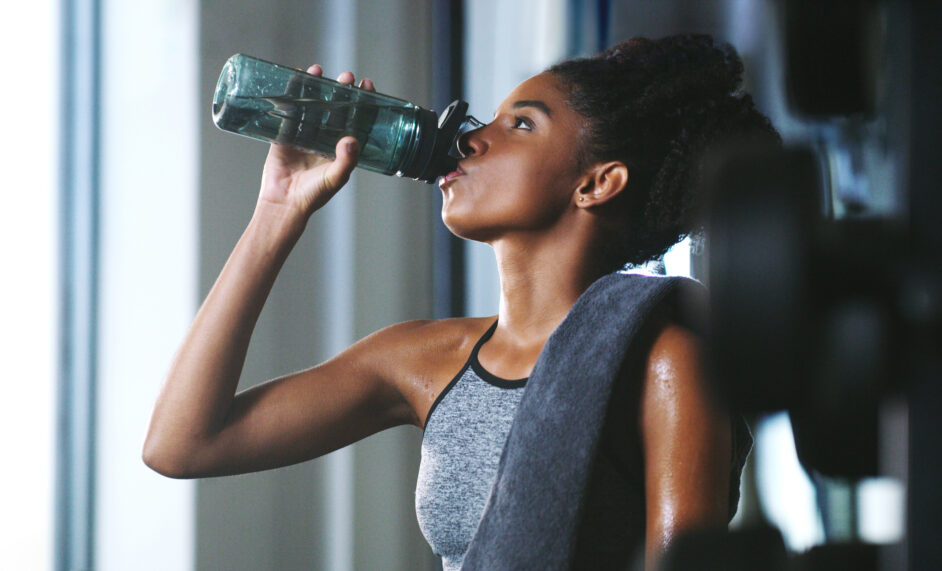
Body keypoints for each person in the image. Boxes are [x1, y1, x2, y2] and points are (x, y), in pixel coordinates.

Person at [144, 34, 778, 569]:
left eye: (522, 124)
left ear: (596, 182)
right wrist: (276, 212)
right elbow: (183, 444)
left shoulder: (665, 359)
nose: (472, 139)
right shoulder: (424, 358)